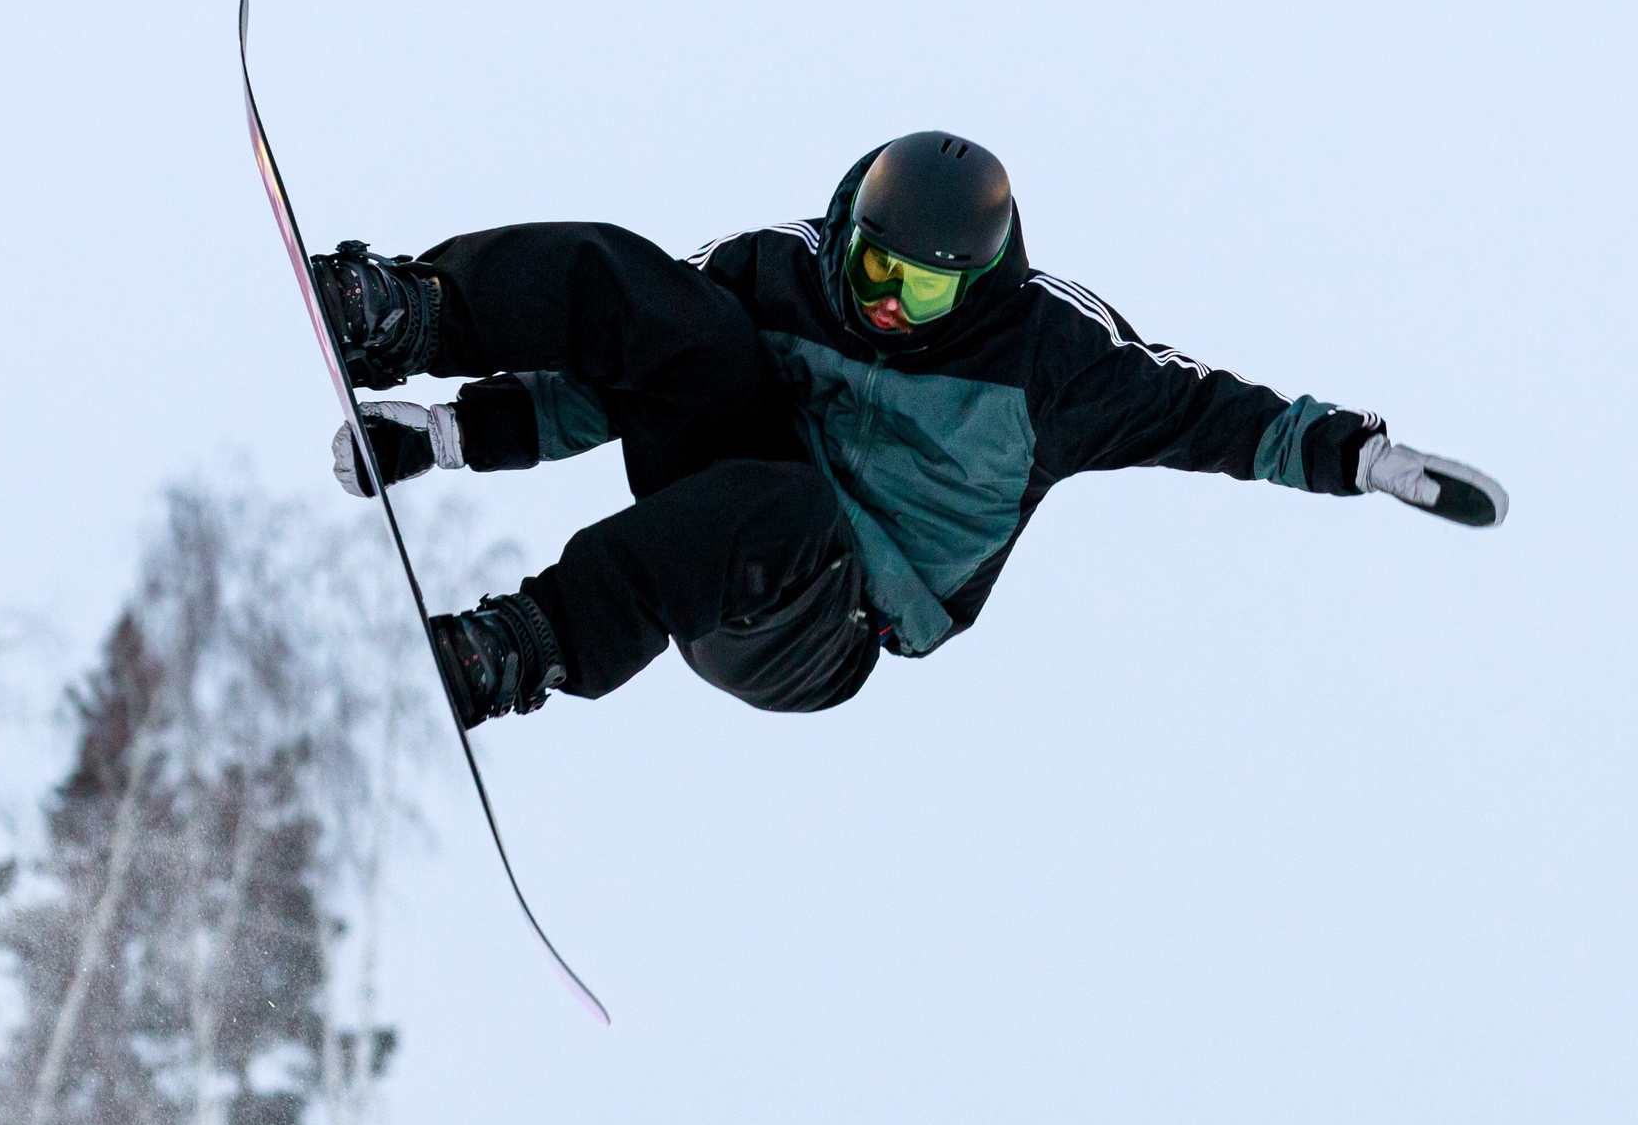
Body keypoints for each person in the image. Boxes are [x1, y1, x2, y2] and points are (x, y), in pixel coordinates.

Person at [316, 134, 1508, 727]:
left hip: (823, 624)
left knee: (785, 512)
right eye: (874, 265)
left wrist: (1359, 458)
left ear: (978, 286)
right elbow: (624, 378)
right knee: (661, 303)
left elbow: (1214, 416)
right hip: (720, 503)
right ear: (847, 228)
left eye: (922, 290)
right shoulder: (781, 271)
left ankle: (520, 648)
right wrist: (445, 434)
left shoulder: (1056, 365)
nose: (885, 302)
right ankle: (412, 310)